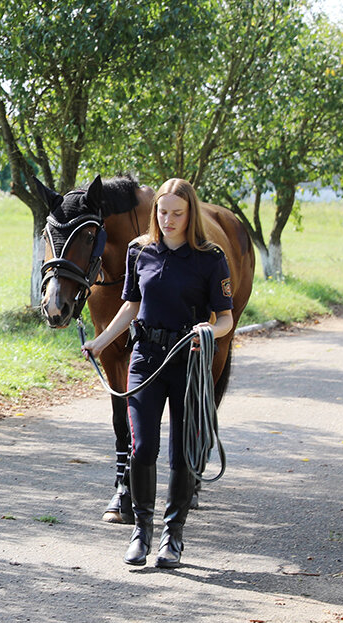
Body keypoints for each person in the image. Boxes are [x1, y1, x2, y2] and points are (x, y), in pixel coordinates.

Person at [81, 178, 233, 569]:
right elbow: (131, 305)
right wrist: (101, 342)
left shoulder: (211, 258)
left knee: (182, 452)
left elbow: (227, 319)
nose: (168, 220)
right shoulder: (139, 252)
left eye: (176, 214)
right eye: (162, 212)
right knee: (142, 447)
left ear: (190, 215)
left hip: (188, 359)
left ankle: (173, 536)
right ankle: (141, 534)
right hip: (145, 357)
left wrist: (208, 330)